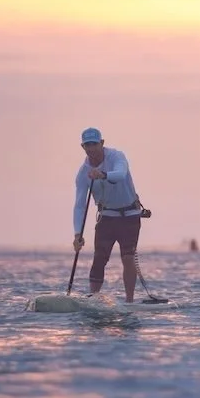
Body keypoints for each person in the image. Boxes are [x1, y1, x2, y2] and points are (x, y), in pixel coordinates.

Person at [72, 127, 147, 302]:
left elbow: (120, 174)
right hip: (107, 217)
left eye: (94, 144)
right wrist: (77, 234)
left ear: (102, 143)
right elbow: (79, 206)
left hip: (129, 215)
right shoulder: (83, 173)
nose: (91, 149)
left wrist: (103, 174)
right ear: (83, 147)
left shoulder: (116, 156)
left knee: (128, 257)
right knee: (99, 258)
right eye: (87, 145)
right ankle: (93, 298)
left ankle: (129, 301)